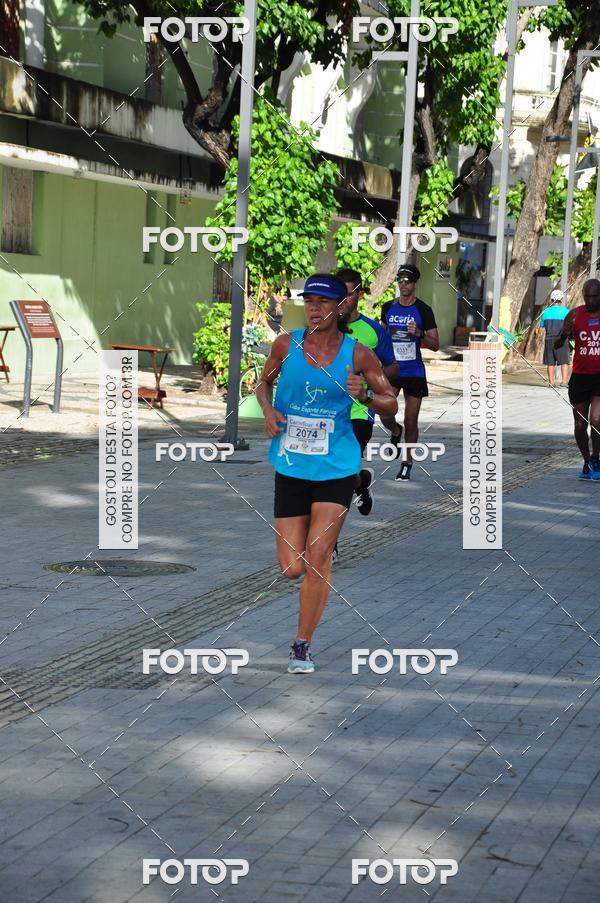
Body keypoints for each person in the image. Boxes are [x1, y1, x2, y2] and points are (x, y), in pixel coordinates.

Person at [255, 273, 397, 673]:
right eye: (309, 301)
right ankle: (329, 534)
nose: (314, 308)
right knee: (291, 567)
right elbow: (260, 385)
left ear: (340, 307)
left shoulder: (358, 355)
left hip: (336, 463)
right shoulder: (287, 345)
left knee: (317, 557)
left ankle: (302, 644)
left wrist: (365, 395)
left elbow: (390, 403)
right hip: (293, 463)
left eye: (323, 301)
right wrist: (268, 410)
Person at [335, 267, 399, 516]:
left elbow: (392, 368)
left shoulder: (373, 331)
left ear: (359, 295)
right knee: (329, 475)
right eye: (338, 295)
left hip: (359, 413)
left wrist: (369, 376)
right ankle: (361, 482)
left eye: (348, 295)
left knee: (340, 474)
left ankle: (331, 542)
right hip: (324, 411)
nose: (343, 301)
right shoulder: (322, 330)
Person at [379, 263, 440, 480]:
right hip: (393, 369)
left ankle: (407, 462)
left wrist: (420, 333)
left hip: (413, 371)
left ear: (415, 284)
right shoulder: (388, 307)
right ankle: (396, 431)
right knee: (384, 411)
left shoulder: (424, 310)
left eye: (407, 280)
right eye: (400, 280)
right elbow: (381, 336)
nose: (403, 284)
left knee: (411, 418)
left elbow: (436, 344)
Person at [554, 278, 600, 481]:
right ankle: (587, 460)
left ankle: (597, 458)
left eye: (595, 296)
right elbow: (556, 345)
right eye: (587, 296)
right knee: (580, 424)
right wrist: (563, 335)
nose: (590, 300)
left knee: (597, 419)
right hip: (580, 377)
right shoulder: (574, 315)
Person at [540, 289, 571, 387]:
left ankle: (551, 383)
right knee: (564, 361)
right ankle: (564, 382)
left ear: (551, 299)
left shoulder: (545, 312)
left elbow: (542, 327)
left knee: (550, 362)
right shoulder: (566, 312)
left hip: (549, 339)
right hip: (562, 340)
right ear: (561, 299)